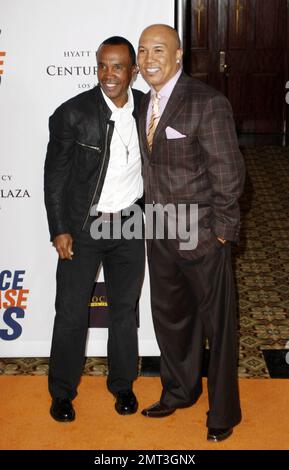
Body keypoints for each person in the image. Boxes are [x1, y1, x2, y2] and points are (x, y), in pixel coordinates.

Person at [137, 24, 245, 442]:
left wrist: (221, 233)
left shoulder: (208, 102)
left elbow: (230, 174)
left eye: (159, 49)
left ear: (179, 55)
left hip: (201, 234)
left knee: (218, 327)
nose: (149, 59)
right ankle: (179, 391)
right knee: (170, 320)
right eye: (144, 50)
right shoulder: (142, 102)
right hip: (159, 232)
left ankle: (223, 411)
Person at [44, 36, 145, 422]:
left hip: (131, 221)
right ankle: (62, 392)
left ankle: (122, 386)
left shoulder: (147, 110)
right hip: (85, 225)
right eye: (102, 65)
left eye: (118, 66)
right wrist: (60, 229)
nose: (109, 74)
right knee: (70, 313)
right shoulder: (71, 114)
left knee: (124, 310)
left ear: (133, 71)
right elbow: (55, 177)